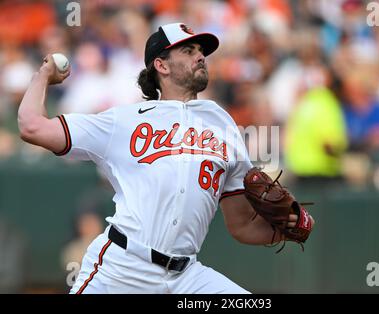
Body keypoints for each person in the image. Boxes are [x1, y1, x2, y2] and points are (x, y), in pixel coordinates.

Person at [18, 22, 314, 294]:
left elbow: (242, 225)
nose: (200, 56)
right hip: (122, 269)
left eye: (201, 51)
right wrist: (41, 76)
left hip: (186, 277)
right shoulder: (124, 121)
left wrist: (285, 230)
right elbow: (32, 126)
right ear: (161, 65)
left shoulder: (223, 124)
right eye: (188, 50)